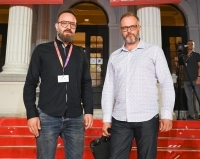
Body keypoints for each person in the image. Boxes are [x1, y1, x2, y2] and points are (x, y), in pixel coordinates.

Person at [101, 12, 175, 159]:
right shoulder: (115, 56)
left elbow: (166, 83)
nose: (129, 31)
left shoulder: (153, 51)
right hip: (120, 119)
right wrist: (106, 118)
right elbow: (108, 89)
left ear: (139, 27)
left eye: (132, 27)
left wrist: (166, 113)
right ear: (121, 30)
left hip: (147, 118)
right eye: (125, 28)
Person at [23, 10, 93, 159]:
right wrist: (31, 114)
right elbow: (30, 83)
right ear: (56, 26)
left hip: (75, 117)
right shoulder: (42, 51)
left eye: (72, 24)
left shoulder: (80, 53)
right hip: (47, 116)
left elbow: (86, 83)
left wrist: (89, 110)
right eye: (64, 23)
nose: (68, 27)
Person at [175, 40, 200, 120]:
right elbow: (181, 68)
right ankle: (191, 115)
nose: (190, 45)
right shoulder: (184, 56)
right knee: (189, 98)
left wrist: (199, 77)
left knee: (198, 97)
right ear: (186, 46)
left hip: (195, 78)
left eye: (191, 44)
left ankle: (199, 114)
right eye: (188, 44)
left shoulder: (196, 55)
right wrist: (176, 62)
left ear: (193, 46)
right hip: (186, 80)